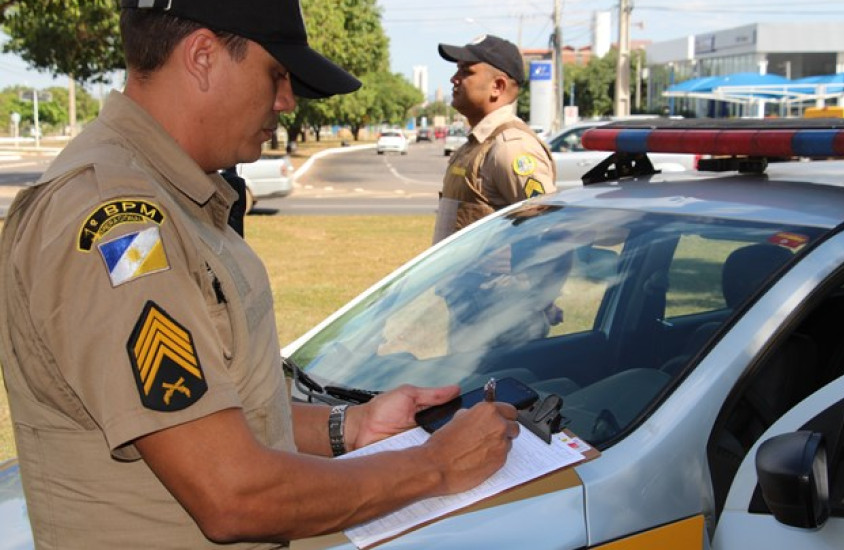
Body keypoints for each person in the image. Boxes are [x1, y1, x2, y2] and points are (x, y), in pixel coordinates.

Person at [0, 1, 519, 547]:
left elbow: (211, 414)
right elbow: (232, 494)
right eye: (275, 74)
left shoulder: (173, 196)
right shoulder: (116, 218)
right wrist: (434, 466)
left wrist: (353, 427)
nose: (287, 101)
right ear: (202, 56)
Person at [433, 34, 557, 244]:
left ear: (497, 86)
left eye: (466, 71)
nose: (454, 79)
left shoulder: (512, 148)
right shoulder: (477, 143)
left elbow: (547, 233)